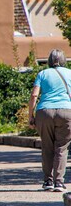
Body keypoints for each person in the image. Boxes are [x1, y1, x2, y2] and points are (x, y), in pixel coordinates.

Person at [28, 49, 71, 192]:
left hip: (44, 111)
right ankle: (59, 182)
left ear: (49, 61)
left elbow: (34, 95)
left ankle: (48, 181)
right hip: (66, 111)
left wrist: (31, 116)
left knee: (47, 147)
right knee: (61, 148)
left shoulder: (42, 74)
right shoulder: (70, 73)